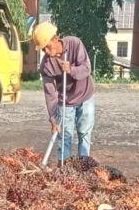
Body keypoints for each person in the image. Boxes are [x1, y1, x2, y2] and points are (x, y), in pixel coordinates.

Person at [32, 22, 95, 160]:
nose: (47, 52)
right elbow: (50, 94)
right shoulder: (46, 65)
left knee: (84, 133)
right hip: (66, 101)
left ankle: (84, 166)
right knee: (64, 136)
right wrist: (53, 119)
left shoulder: (74, 44)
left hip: (85, 95)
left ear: (55, 39)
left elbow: (86, 68)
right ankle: (63, 170)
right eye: (43, 50)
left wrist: (71, 70)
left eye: (47, 47)